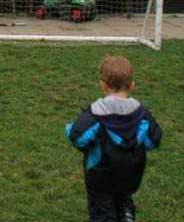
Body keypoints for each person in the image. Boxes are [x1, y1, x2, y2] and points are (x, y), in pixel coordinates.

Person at [66, 55, 162, 222]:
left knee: (102, 212)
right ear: (132, 85)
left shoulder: (96, 113)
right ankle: (125, 210)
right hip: (130, 176)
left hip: (100, 179)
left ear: (103, 85)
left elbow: (77, 137)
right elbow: (154, 139)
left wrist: (69, 127)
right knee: (122, 195)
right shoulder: (142, 114)